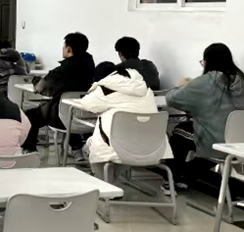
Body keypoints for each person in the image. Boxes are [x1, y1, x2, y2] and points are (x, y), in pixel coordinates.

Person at [163, 43, 244, 194]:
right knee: (192, 132)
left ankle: (171, 180)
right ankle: (185, 175)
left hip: (216, 145)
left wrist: (180, 86)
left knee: (180, 131)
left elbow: (171, 99)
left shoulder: (206, 81)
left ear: (208, 61)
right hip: (239, 147)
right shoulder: (241, 79)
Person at [80, 62, 172, 182]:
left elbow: (86, 104)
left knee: (90, 145)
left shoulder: (105, 89)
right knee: (122, 145)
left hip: (119, 149)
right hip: (151, 148)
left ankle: (105, 182)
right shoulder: (146, 89)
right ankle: (110, 180)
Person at [22, 32, 95, 160]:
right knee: (68, 113)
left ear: (69, 49)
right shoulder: (90, 66)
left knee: (30, 115)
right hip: (85, 115)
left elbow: (41, 87)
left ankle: (30, 150)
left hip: (61, 115)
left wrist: (35, 81)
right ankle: (76, 148)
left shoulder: (63, 70)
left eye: (64, 46)